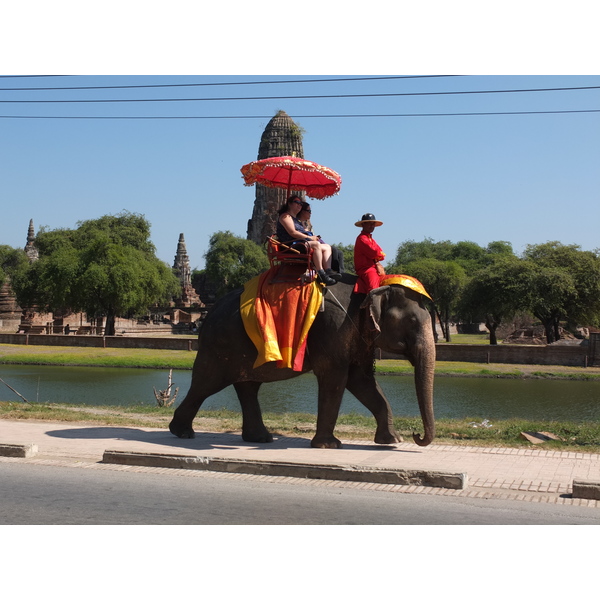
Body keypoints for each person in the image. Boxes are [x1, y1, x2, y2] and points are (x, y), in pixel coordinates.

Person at [276, 195, 340, 286]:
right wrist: (310, 238)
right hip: (291, 245)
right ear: (289, 204)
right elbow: (292, 232)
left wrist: (311, 236)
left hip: (301, 243)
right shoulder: (285, 216)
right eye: (296, 202)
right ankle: (321, 273)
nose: (299, 205)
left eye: (301, 204)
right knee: (316, 244)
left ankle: (328, 270)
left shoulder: (296, 220)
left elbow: (303, 231)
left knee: (327, 247)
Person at [298, 201, 344, 274]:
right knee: (334, 250)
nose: (310, 213)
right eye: (308, 211)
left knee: (339, 252)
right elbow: (300, 235)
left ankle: (339, 272)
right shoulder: (298, 224)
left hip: (312, 243)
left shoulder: (304, 224)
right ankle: (328, 270)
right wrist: (312, 237)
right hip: (306, 244)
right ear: (302, 211)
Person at [353, 213, 386, 294]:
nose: (372, 226)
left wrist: (379, 254)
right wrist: (379, 254)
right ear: (363, 224)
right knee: (374, 290)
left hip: (374, 268)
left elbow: (381, 254)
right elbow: (375, 252)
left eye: (373, 224)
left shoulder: (371, 239)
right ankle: (372, 306)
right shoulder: (362, 239)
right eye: (369, 224)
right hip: (366, 269)